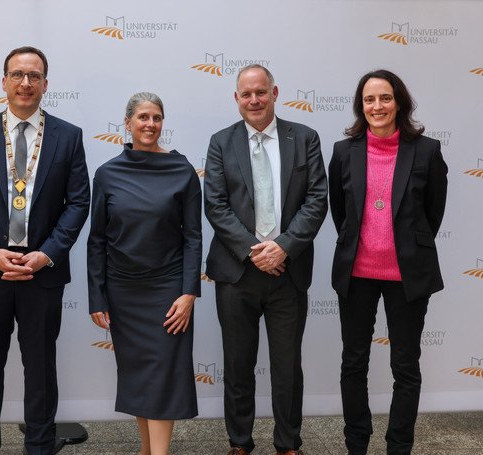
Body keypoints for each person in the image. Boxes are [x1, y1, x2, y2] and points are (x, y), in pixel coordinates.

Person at [0, 46, 90, 455]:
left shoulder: (68, 135)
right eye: (17, 74)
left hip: (41, 271)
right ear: (4, 82)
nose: (25, 83)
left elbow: (78, 202)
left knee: (41, 368)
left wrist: (45, 253)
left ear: (46, 84)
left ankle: (40, 446)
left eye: (34, 76)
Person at [203, 64, 328, 455]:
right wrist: (255, 251)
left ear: (275, 93)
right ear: (236, 99)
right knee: (238, 366)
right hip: (237, 272)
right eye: (246, 94)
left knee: (288, 368)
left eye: (261, 92)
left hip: (288, 272)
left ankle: (288, 444)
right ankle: (239, 442)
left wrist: (284, 246)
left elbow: (316, 199)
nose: (254, 100)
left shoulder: (304, 138)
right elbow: (216, 204)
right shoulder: (221, 141)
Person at [329, 69, 448, 455]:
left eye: (384, 98)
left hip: (406, 277)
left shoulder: (427, 150)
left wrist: (404, 247)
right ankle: (357, 445)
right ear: (360, 106)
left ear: (399, 102)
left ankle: (399, 446)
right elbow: (340, 212)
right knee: (353, 364)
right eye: (369, 100)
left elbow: (432, 215)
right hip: (357, 275)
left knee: (405, 368)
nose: (376, 106)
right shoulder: (343, 152)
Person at [87, 92, 201, 455]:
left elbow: (194, 237)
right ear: (127, 123)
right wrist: (97, 296)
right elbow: (96, 241)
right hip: (123, 292)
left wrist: (189, 293)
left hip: (169, 290)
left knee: (163, 376)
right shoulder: (107, 173)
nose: (150, 124)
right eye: (143, 117)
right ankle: (146, 449)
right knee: (138, 376)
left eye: (157, 117)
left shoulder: (182, 171)